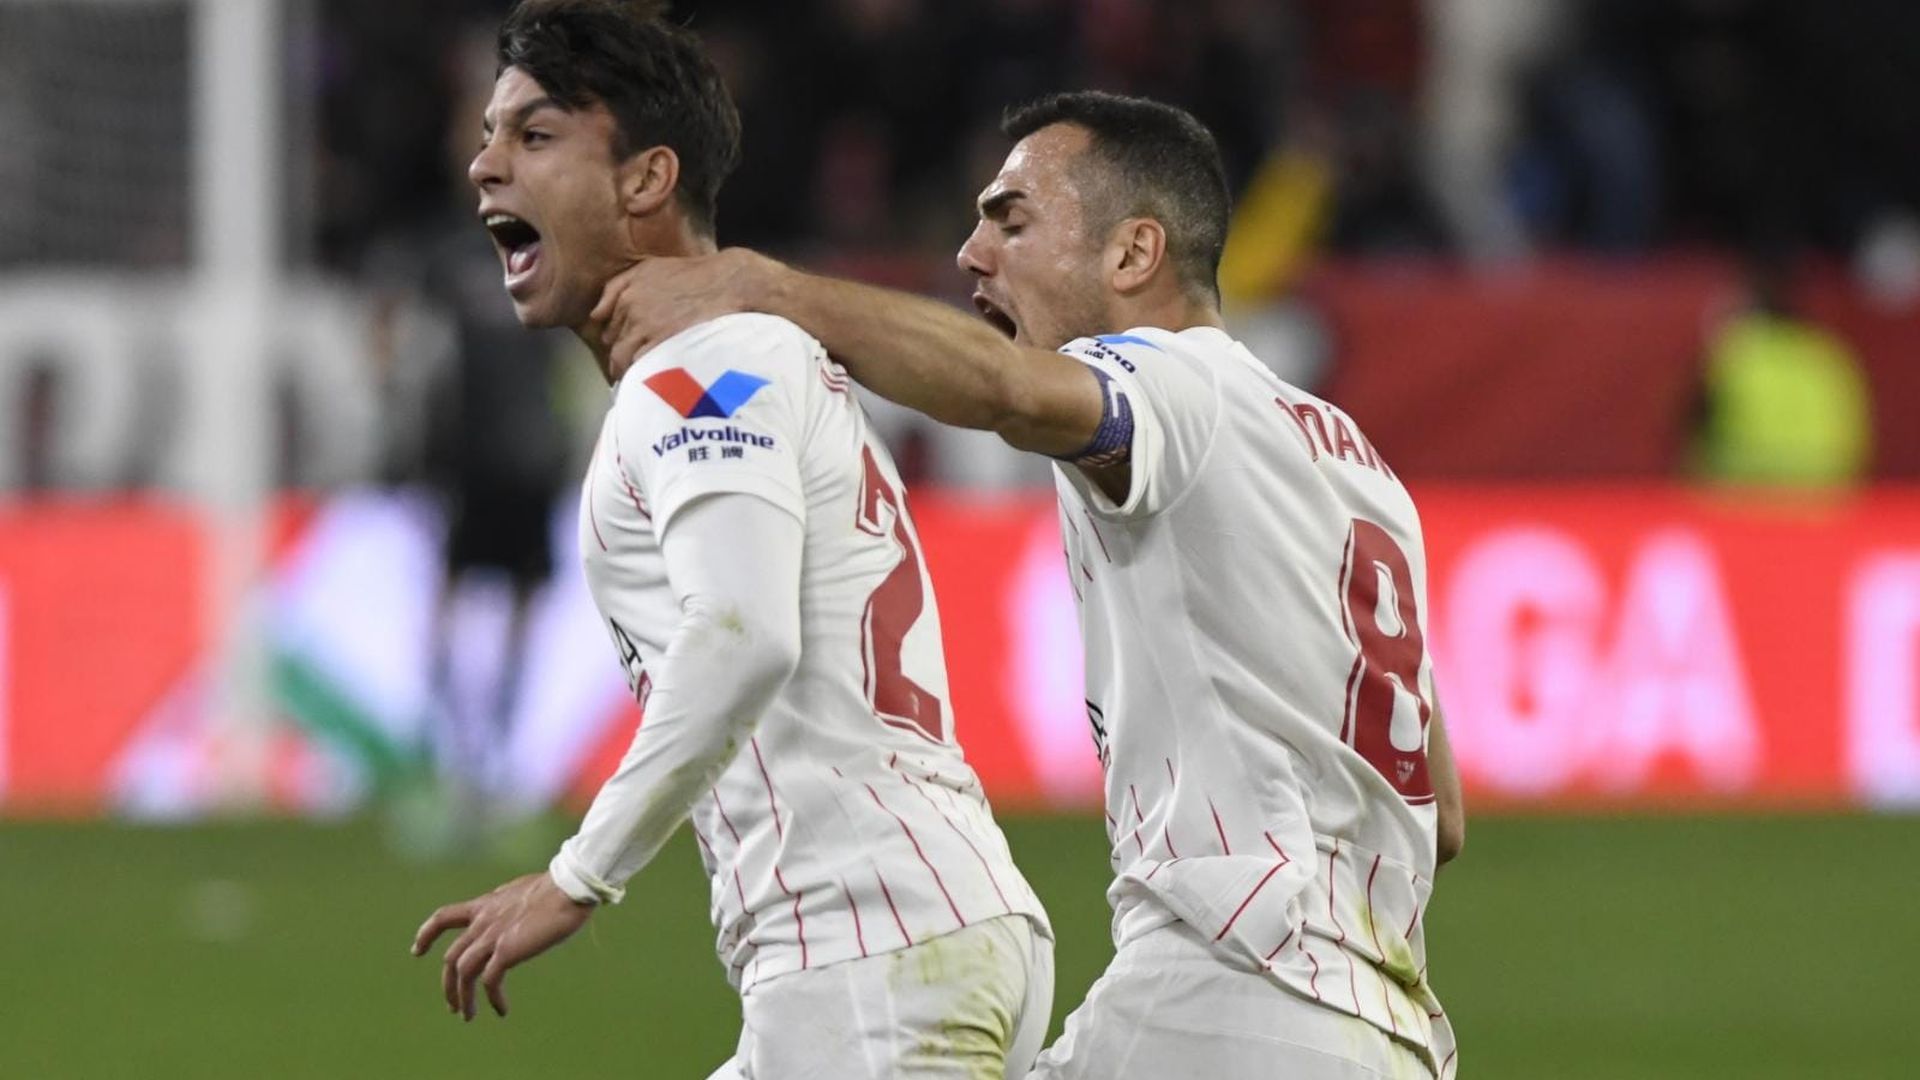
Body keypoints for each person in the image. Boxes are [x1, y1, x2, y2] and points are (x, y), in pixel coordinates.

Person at [595, 91, 1466, 1078]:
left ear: (1133, 255)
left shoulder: (1176, 384)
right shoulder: (1361, 470)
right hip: (1380, 1029)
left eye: (1011, 220)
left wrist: (769, 291)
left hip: (1232, 1003)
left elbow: (1003, 393)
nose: (972, 254)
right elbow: (1443, 813)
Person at [408, 5, 1054, 1077]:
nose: (484, 166)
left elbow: (744, 633)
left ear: (647, 180)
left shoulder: (701, 373)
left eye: (533, 135)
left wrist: (577, 876)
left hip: (871, 960)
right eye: (486, 134)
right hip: (909, 940)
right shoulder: (744, 359)